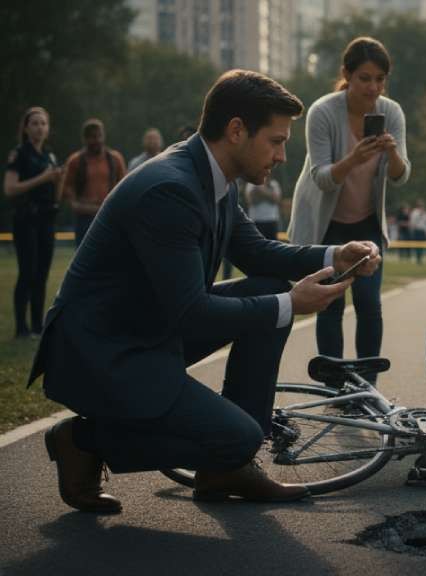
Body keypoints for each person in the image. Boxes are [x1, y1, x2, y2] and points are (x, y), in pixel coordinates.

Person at [31, 69, 381, 514]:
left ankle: (227, 468)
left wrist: (336, 256)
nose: (282, 156)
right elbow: (191, 313)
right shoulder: (171, 190)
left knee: (268, 288)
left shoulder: (212, 176)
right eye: (276, 141)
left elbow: (256, 253)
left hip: (145, 330)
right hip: (101, 353)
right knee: (239, 426)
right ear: (236, 130)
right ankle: (81, 441)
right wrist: (292, 303)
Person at [288, 36, 410, 370]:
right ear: (347, 74)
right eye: (365, 78)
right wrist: (354, 158)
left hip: (367, 221)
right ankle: (334, 386)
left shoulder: (392, 112)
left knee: (369, 302)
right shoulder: (323, 112)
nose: (373, 88)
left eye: (380, 79)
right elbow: (322, 177)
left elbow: (401, 176)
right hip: (325, 225)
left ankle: (367, 387)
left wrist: (391, 152)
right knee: (330, 302)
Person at [4, 107, 64, 339]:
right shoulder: (19, 154)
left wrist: (58, 179)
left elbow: (56, 195)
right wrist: (43, 177)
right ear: (26, 128)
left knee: (42, 274)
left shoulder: (49, 156)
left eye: (43, 124)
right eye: (35, 123)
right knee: (27, 272)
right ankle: (21, 328)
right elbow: (9, 189)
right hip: (26, 220)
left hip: (46, 221)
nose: (40, 128)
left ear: (48, 129)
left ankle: (38, 327)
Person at [63, 119, 127, 247]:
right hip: (84, 218)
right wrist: (74, 203)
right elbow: (67, 187)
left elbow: (124, 186)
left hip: (109, 215)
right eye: (92, 137)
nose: (97, 140)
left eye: (99, 136)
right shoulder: (75, 161)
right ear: (85, 139)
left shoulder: (115, 159)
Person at [244, 173, 282, 241]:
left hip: (272, 221)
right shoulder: (251, 184)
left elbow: (276, 200)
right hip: (256, 221)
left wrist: (261, 191)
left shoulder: (274, 184)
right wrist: (268, 194)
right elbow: (250, 201)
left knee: (272, 246)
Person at [409, 199, 426, 265]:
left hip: (423, 232)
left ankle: (420, 258)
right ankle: (418, 259)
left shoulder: (425, 213)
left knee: (422, 246)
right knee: (417, 246)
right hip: (417, 231)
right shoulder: (415, 212)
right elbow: (413, 222)